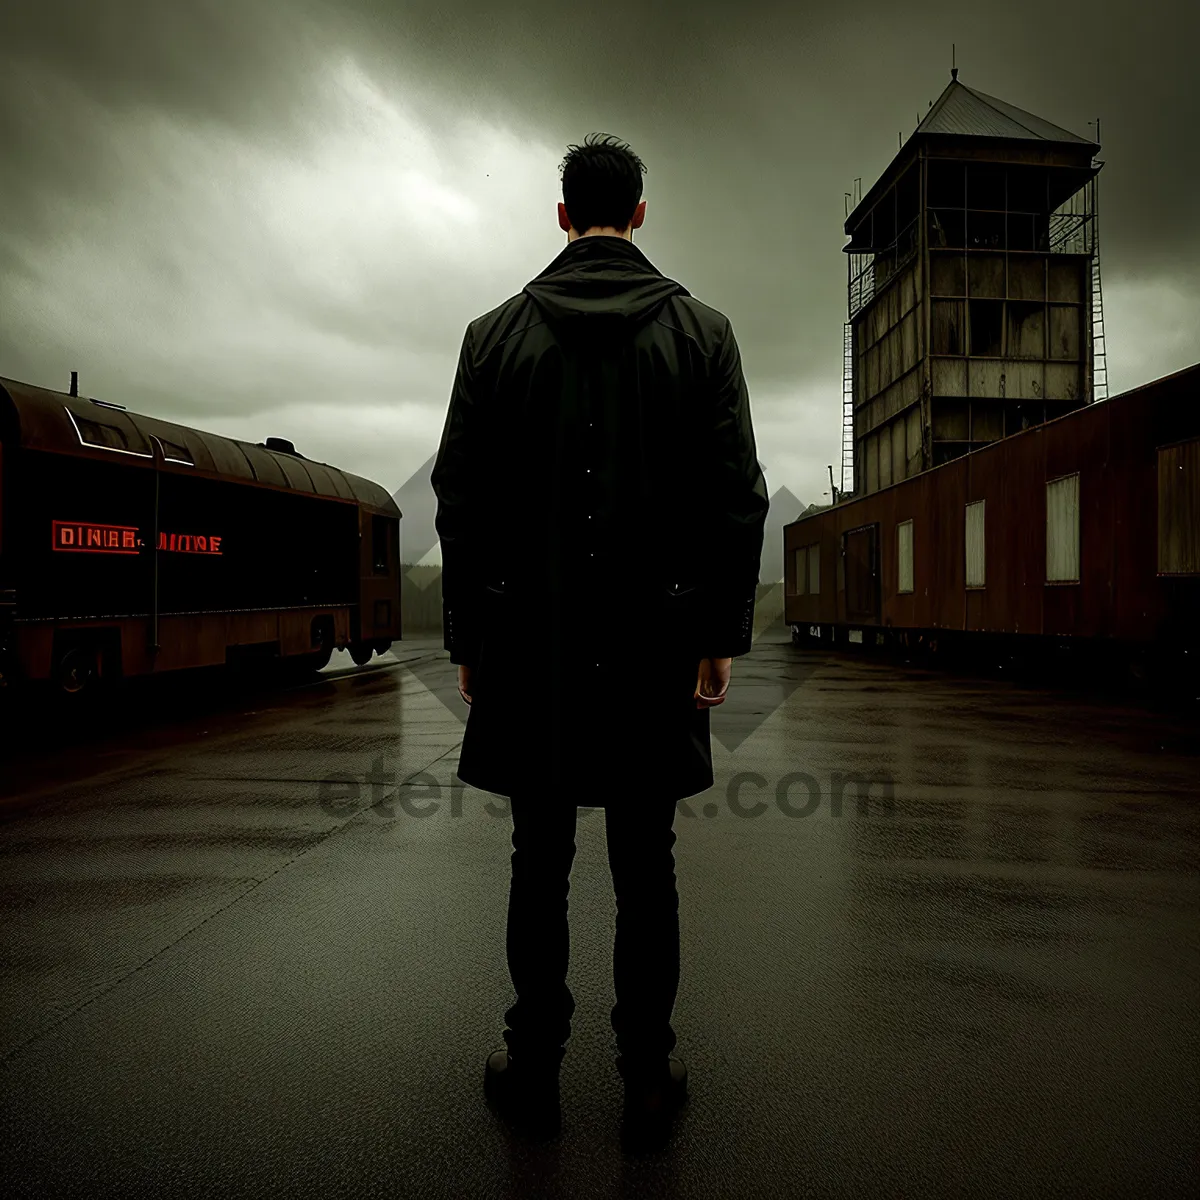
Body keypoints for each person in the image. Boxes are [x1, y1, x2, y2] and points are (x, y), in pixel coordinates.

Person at [431, 132, 768, 1150]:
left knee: (540, 857)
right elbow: (736, 498)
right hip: (657, 640)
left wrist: (471, 634)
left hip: (527, 644)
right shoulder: (704, 335)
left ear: (564, 214)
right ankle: (647, 1079)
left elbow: (459, 495)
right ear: (640, 214)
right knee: (646, 863)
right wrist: (716, 635)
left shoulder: (491, 338)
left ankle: (532, 1069)